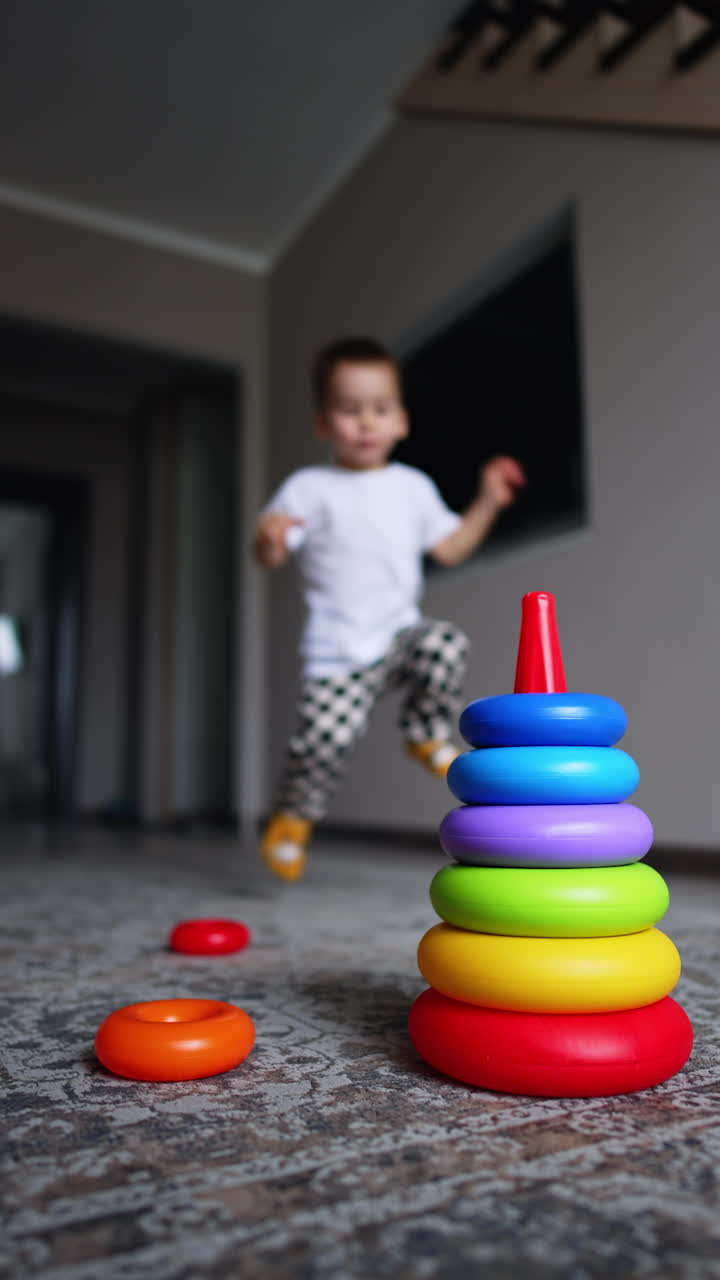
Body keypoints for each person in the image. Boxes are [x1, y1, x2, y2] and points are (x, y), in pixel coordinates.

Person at [254, 337, 525, 880]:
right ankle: (292, 819)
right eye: (349, 411)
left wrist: (489, 501)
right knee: (323, 742)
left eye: (380, 409)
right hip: (337, 653)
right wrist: (269, 537)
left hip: (398, 637)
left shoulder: (412, 487)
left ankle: (425, 734)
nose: (366, 423)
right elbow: (269, 557)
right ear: (323, 424)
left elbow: (449, 547)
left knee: (444, 642)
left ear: (401, 420)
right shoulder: (309, 488)